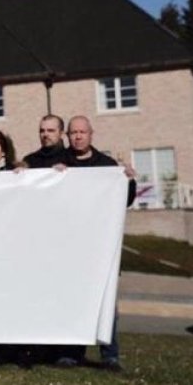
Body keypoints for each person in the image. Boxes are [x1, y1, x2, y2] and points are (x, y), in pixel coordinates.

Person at [52, 115, 137, 371]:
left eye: (82, 132)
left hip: (100, 249)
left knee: (106, 304)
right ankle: (70, 352)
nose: (77, 136)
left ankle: (110, 355)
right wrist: (53, 178)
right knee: (71, 301)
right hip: (69, 248)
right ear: (67, 136)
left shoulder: (107, 165)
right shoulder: (59, 163)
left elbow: (124, 200)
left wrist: (129, 180)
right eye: (73, 133)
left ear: (91, 134)